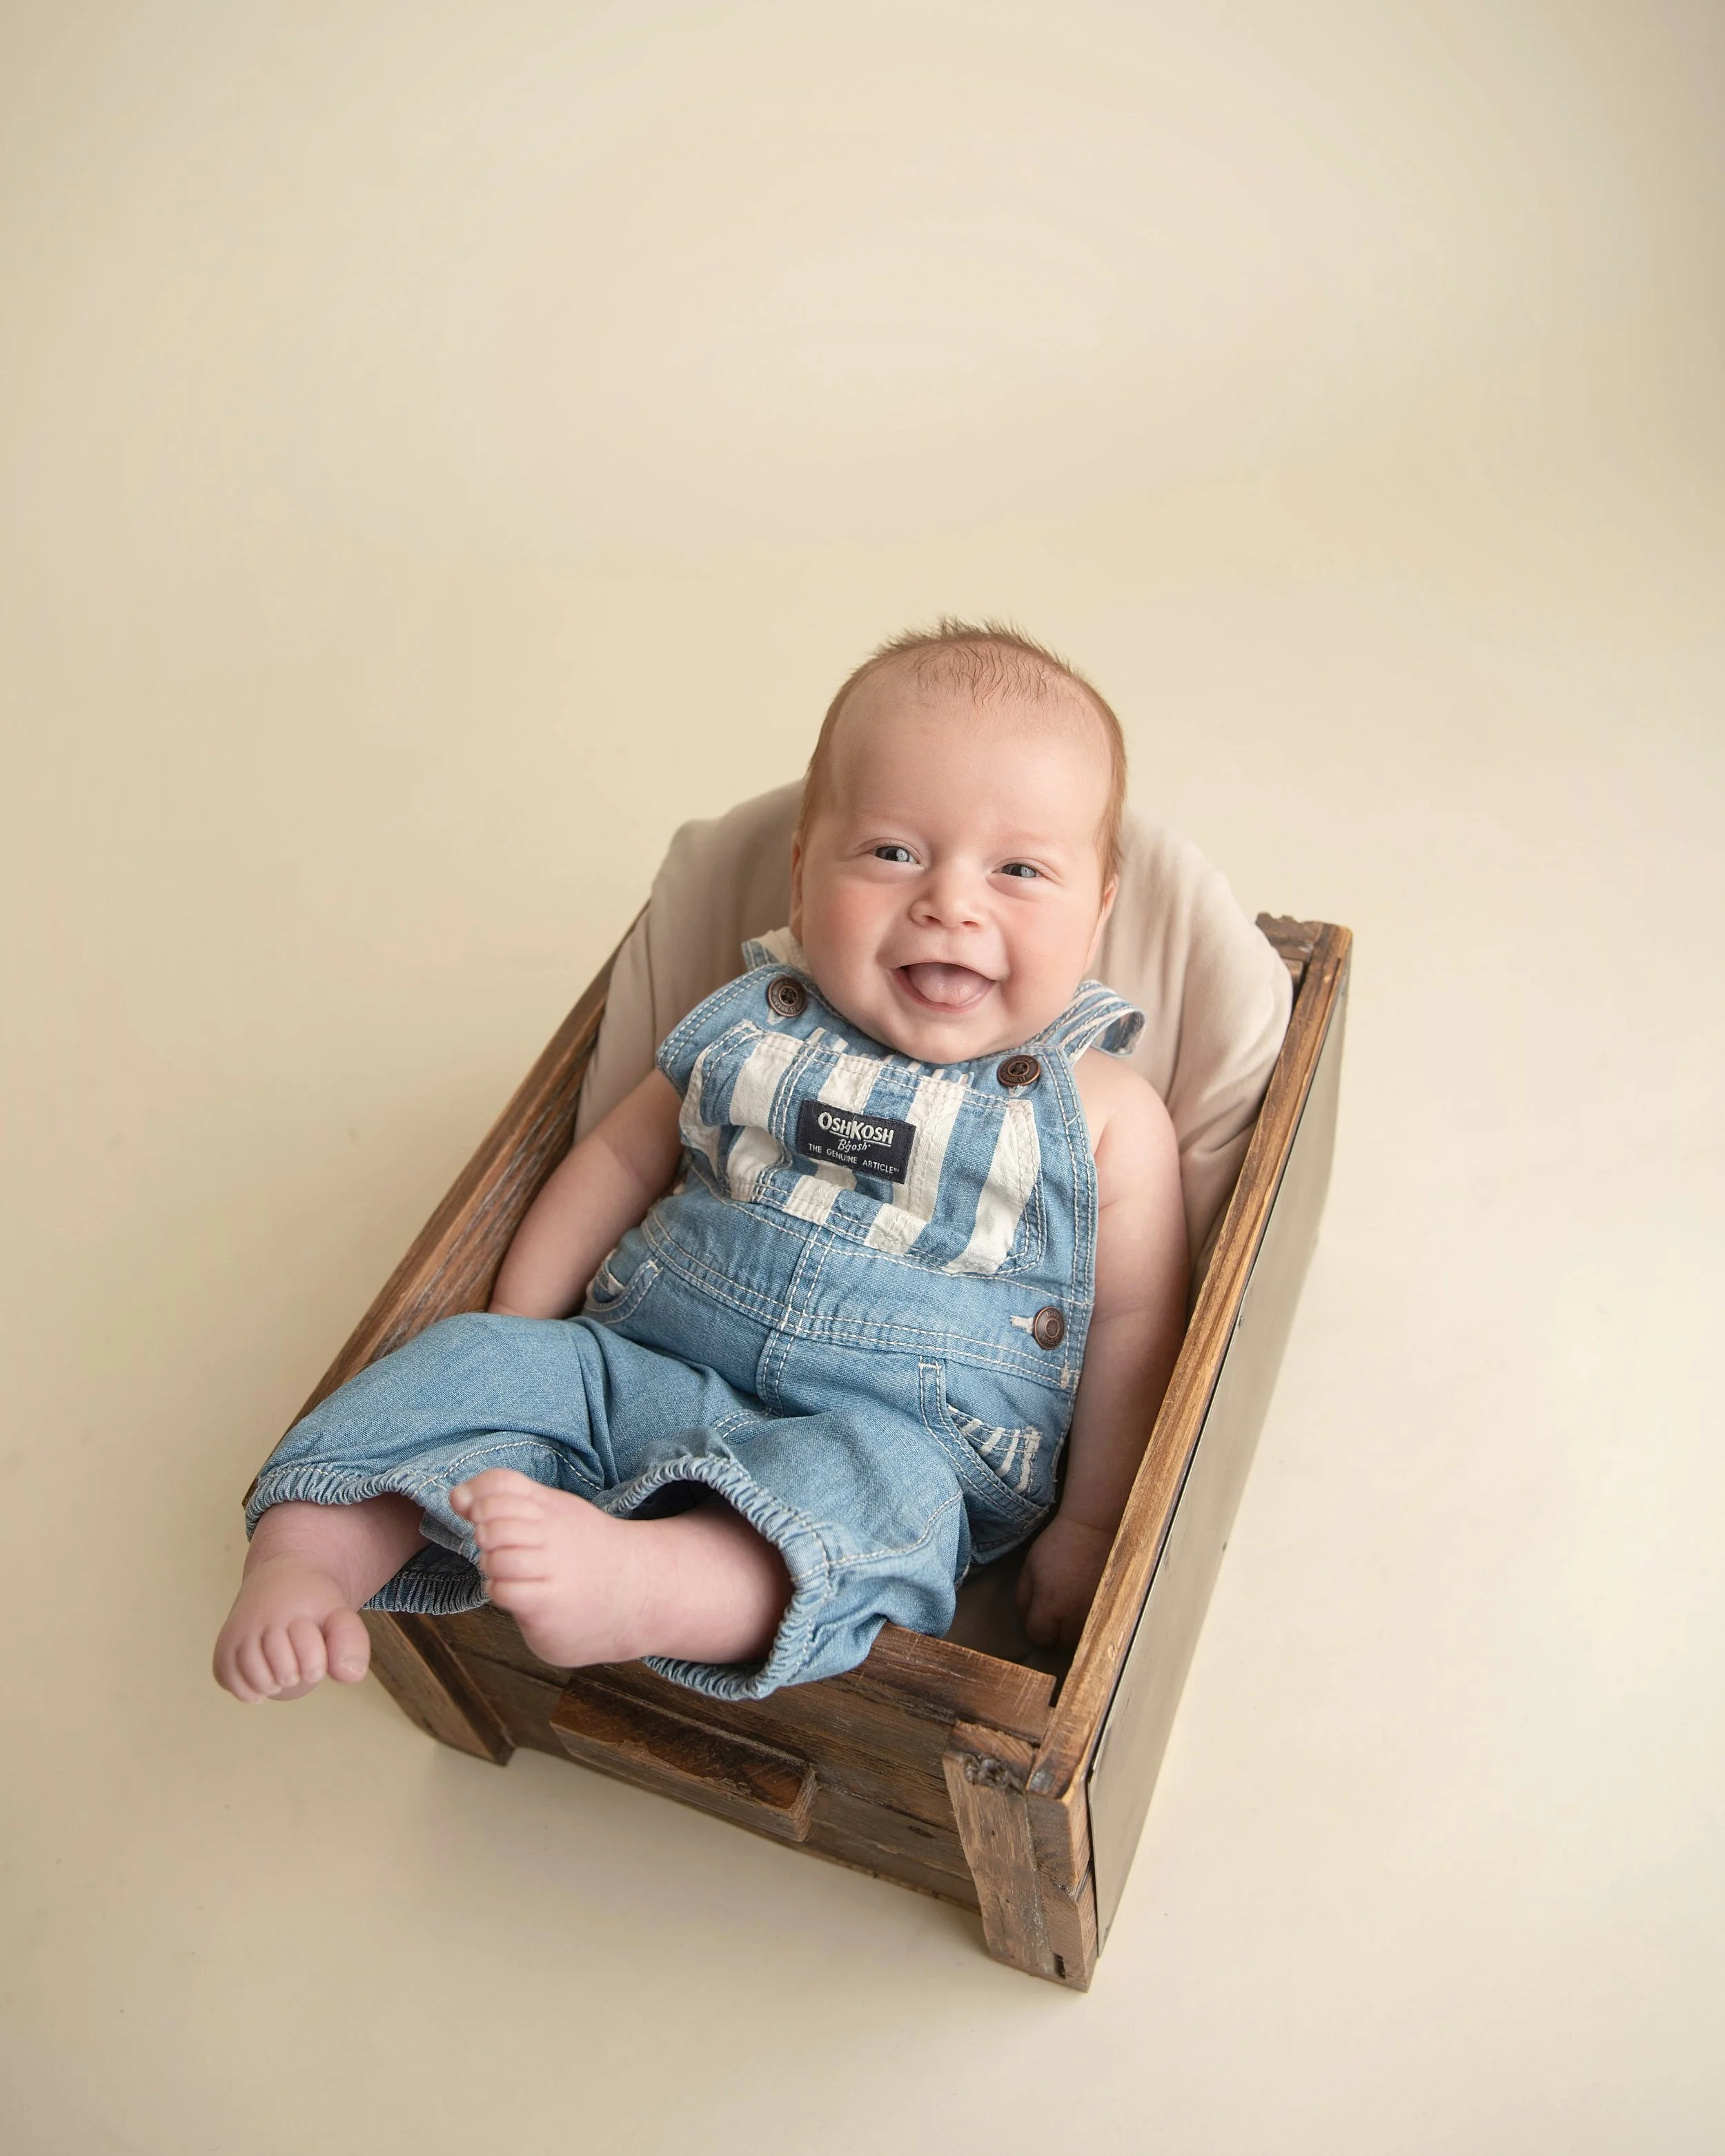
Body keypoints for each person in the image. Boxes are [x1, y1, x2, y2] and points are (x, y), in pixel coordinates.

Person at [213, 622, 1189, 1707]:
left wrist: (1095, 1521)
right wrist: (523, 1329)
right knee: (464, 1368)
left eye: (1020, 870)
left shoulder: (1103, 1111)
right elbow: (619, 1158)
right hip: (641, 1360)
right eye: (893, 853)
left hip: (894, 1432)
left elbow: (1142, 1325)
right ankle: (313, 1553)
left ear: (1098, 910)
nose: (950, 903)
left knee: (892, 1513)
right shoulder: (749, 1024)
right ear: (802, 871)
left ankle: (646, 1584)